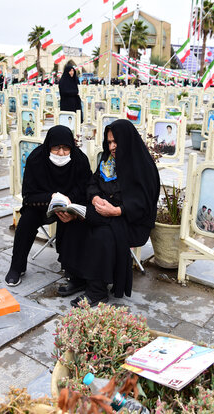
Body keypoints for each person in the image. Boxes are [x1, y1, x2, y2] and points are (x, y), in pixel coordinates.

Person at [59, 120, 160, 307]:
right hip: (102, 212)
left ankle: (97, 291)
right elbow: (92, 183)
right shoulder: (107, 162)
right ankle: (79, 277)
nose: (112, 147)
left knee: (101, 234)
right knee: (74, 221)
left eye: (116, 142)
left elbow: (144, 203)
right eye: (109, 142)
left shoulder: (142, 166)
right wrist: (96, 197)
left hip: (130, 221)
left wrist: (117, 210)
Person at [4, 125, 92, 287]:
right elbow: (28, 196)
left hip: (70, 206)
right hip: (41, 205)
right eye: (56, 148)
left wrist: (68, 200)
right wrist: (50, 197)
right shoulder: (36, 159)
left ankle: (71, 267)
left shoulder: (80, 160)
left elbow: (86, 189)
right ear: (48, 146)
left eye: (66, 148)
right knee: (26, 221)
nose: (61, 153)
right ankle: (17, 266)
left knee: (76, 221)